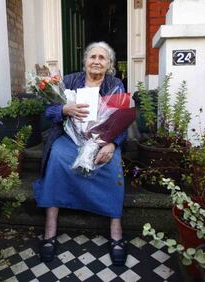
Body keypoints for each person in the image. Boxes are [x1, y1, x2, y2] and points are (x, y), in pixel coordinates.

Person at [33, 42, 129, 266]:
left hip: (101, 141)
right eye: (92, 56)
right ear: (85, 61)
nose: (96, 61)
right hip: (70, 137)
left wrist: (113, 144)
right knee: (57, 157)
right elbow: (48, 111)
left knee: (113, 164)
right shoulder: (69, 81)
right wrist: (63, 110)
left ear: (109, 65)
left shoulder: (115, 85)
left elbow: (122, 121)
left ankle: (116, 228)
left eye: (102, 58)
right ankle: (50, 226)